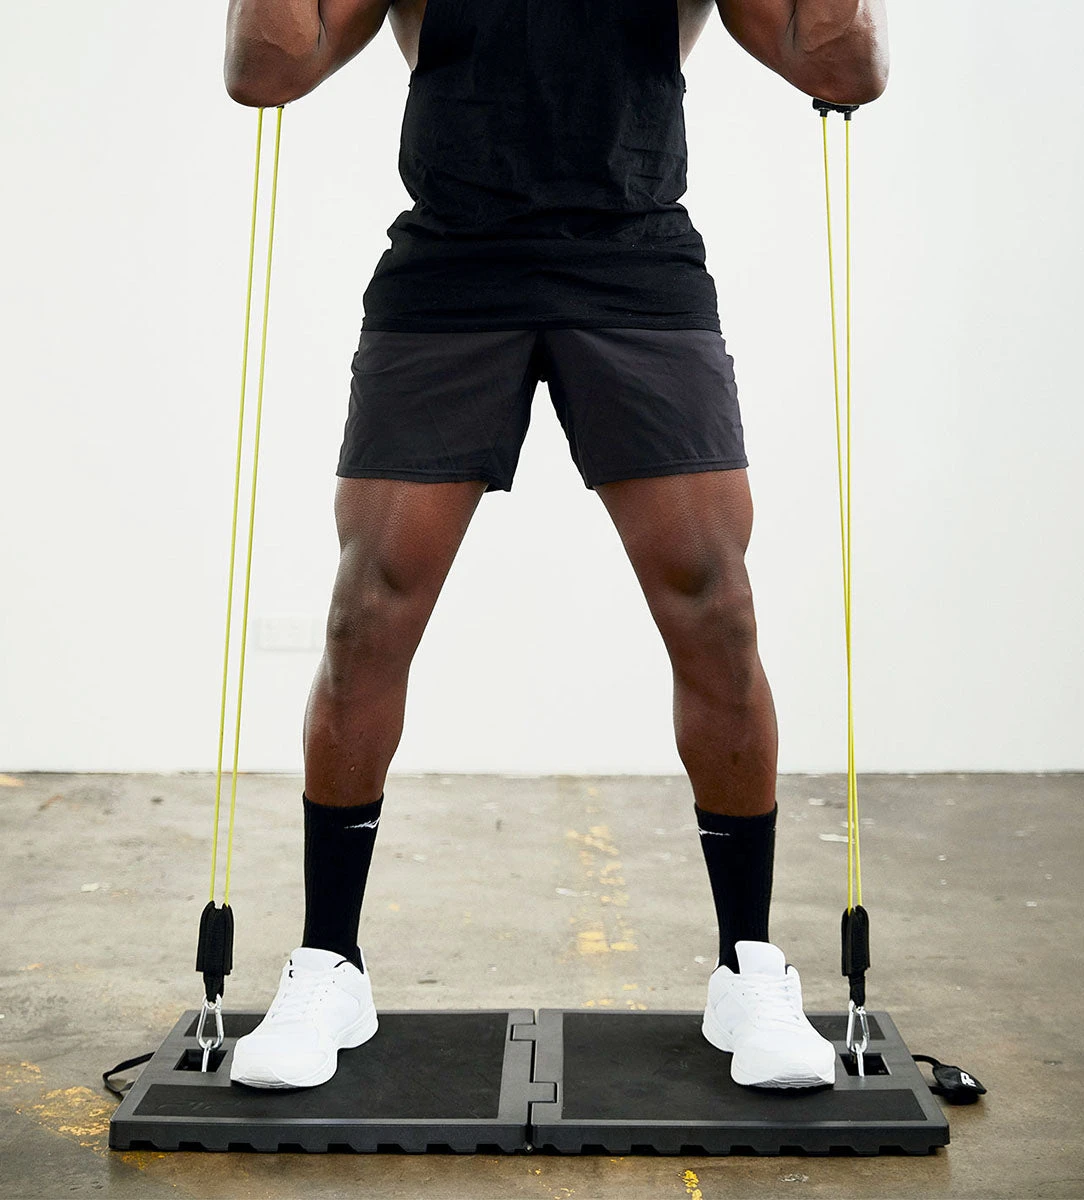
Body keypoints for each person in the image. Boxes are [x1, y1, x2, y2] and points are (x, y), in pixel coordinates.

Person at [222, 0, 889, 1091]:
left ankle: (747, 967)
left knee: (716, 605)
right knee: (367, 609)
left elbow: (843, 67)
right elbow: (267, 69)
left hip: (634, 261)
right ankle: (329, 964)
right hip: (451, 265)